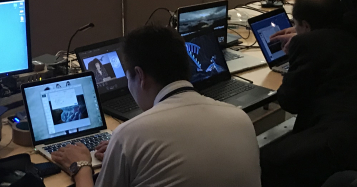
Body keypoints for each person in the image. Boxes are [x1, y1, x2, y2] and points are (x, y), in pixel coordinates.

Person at [51, 26, 261, 187]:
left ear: (140, 76)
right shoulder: (240, 118)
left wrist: (81, 166)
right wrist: (127, 156)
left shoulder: (129, 136)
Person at [260, 0, 357, 187]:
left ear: (306, 26)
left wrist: (293, 63)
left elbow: (290, 101)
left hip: (339, 142)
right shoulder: (355, 44)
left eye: (296, 25)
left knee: (266, 159)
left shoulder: (305, 43)